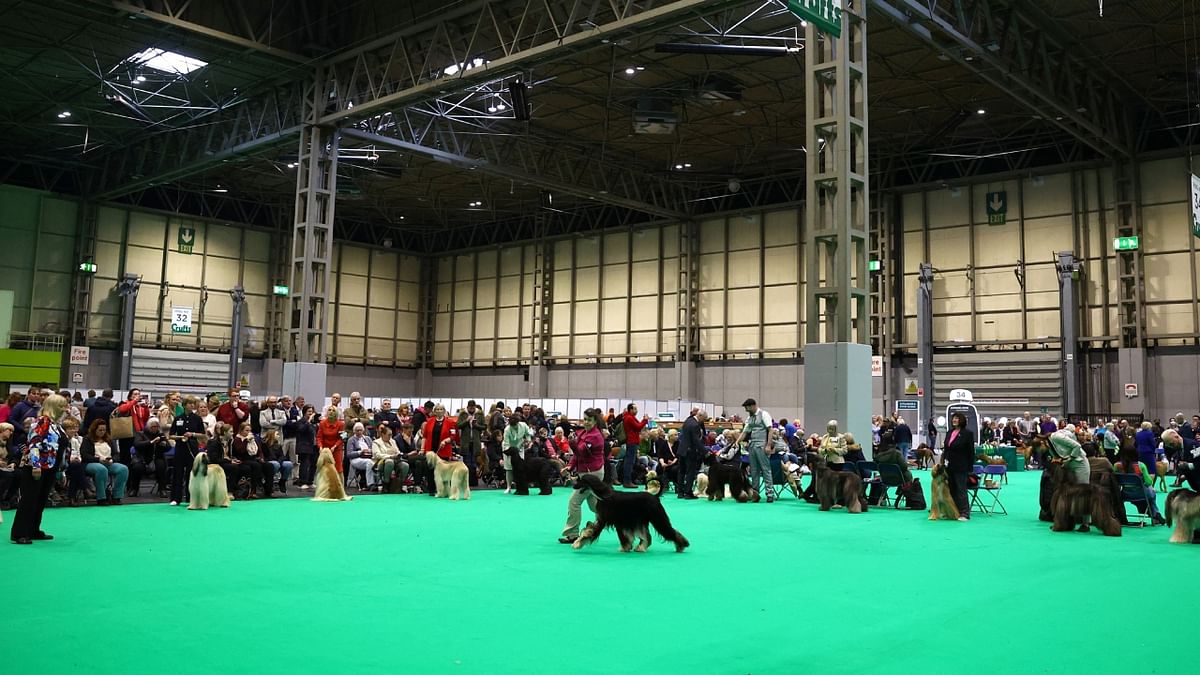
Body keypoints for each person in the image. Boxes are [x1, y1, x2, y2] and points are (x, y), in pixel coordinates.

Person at [10, 393, 69, 544]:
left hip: (51, 467)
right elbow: (34, 443)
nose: (66, 408)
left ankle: (33, 529)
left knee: (40, 499)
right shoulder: (41, 422)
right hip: (37, 467)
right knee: (29, 499)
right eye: (63, 406)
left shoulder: (56, 425)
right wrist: (36, 465)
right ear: (54, 407)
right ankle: (19, 533)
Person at [559, 408, 607, 544]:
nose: (586, 422)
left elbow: (581, 453)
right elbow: (576, 456)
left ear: (595, 421)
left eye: (589, 420)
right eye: (585, 419)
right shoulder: (585, 433)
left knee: (574, 502)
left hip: (592, 474)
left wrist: (572, 443)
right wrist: (570, 466)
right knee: (595, 506)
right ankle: (614, 520)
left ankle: (572, 534)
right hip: (587, 473)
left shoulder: (595, 437)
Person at [167, 397, 205, 506]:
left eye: (193, 404)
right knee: (177, 473)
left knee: (191, 473)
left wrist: (192, 434)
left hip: (192, 448)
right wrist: (180, 437)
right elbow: (171, 435)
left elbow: (202, 434)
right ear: (184, 405)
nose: (192, 406)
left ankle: (191, 497)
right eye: (190, 403)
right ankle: (175, 498)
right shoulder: (178, 418)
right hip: (180, 447)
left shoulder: (197, 419)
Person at [1113, 445, 1165, 525]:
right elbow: (1149, 482)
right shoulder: (1141, 465)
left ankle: (1155, 515)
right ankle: (1155, 515)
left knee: (1149, 494)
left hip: (1125, 494)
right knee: (1151, 492)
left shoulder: (1117, 466)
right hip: (1142, 494)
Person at [736, 398, 774, 503]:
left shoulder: (764, 414)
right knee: (753, 471)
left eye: (747, 408)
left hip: (762, 445)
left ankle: (770, 494)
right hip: (752, 446)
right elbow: (745, 432)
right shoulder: (750, 417)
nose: (746, 410)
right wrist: (736, 442)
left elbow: (770, 430)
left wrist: (768, 445)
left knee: (765, 469)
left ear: (753, 405)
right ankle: (755, 494)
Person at [943, 411, 974, 522]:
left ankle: (965, 513)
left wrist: (970, 468)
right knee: (951, 489)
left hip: (961, 466)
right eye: (953, 418)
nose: (954, 420)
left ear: (961, 420)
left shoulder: (967, 433)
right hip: (949, 466)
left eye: (957, 418)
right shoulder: (949, 432)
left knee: (961, 490)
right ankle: (953, 511)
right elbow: (946, 449)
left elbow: (971, 452)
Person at [232, 421, 273, 498]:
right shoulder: (237, 439)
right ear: (241, 431)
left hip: (254, 458)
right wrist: (246, 441)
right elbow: (240, 451)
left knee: (269, 466)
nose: (248, 432)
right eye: (246, 430)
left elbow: (259, 450)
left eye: (249, 430)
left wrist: (261, 457)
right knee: (256, 466)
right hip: (243, 459)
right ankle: (253, 490)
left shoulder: (254, 439)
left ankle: (268, 490)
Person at [134, 418, 172, 498]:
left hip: (157, 458)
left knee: (161, 465)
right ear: (148, 427)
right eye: (152, 427)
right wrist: (151, 442)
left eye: (156, 426)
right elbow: (137, 445)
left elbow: (169, 447)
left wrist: (164, 444)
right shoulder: (141, 434)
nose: (154, 428)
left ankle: (162, 489)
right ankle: (134, 489)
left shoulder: (161, 435)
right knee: (137, 467)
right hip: (143, 459)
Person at [618, 403, 649, 489]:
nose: (637, 411)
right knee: (629, 462)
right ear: (630, 410)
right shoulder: (629, 418)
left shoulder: (629, 417)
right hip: (631, 441)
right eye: (635, 409)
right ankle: (627, 481)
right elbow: (638, 427)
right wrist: (645, 420)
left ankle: (628, 480)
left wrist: (643, 420)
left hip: (632, 441)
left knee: (630, 461)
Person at [502, 413, 533, 494]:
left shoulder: (523, 425)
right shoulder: (507, 430)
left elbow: (528, 434)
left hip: (520, 447)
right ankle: (508, 487)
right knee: (509, 468)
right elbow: (506, 443)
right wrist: (509, 452)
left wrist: (528, 441)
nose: (514, 427)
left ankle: (520, 487)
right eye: (513, 425)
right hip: (509, 450)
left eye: (515, 425)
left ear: (518, 422)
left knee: (520, 468)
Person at [371, 424, 408, 491]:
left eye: (391, 435)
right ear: (382, 434)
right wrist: (390, 456)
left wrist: (399, 454)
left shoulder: (393, 441)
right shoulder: (376, 442)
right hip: (381, 462)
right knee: (389, 462)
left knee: (405, 465)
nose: (390, 436)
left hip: (395, 460)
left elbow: (397, 451)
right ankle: (386, 483)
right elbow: (377, 455)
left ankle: (400, 484)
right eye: (389, 435)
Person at [457, 400, 485, 486]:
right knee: (466, 462)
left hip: (475, 442)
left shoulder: (480, 414)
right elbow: (458, 425)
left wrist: (476, 425)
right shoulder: (463, 414)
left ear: (475, 407)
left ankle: (473, 481)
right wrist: (466, 421)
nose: (471, 409)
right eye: (470, 407)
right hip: (465, 442)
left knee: (474, 462)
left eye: (473, 407)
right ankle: (465, 482)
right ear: (467, 407)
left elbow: (484, 427)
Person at [293, 405, 319, 489]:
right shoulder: (301, 421)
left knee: (313, 464)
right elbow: (301, 429)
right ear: (304, 412)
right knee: (305, 464)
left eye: (312, 412)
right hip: (304, 446)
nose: (310, 413)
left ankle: (310, 481)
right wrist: (308, 421)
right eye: (309, 412)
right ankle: (302, 482)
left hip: (314, 446)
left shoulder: (314, 423)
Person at [260, 429, 292, 494]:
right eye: (277, 434)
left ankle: (282, 482)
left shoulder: (278, 444)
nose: (279, 436)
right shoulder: (264, 444)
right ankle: (269, 481)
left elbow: (282, 456)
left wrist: (279, 461)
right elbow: (264, 456)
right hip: (268, 462)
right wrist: (276, 461)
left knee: (289, 464)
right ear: (272, 435)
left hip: (277, 462)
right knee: (275, 464)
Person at [345, 422, 375, 490]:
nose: (359, 432)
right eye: (357, 430)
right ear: (354, 431)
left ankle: (379, 483)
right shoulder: (351, 440)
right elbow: (349, 454)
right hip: (356, 459)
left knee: (376, 463)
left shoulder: (368, 438)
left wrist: (370, 451)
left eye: (360, 430)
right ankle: (370, 484)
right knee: (369, 462)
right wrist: (360, 452)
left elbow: (373, 448)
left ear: (363, 430)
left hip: (368, 457)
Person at [317, 406, 346, 474]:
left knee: (337, 469)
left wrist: (335, 446)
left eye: (333, 410)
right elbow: (319, 437)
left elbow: (342, 438)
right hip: (325, 450)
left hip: (336, 449)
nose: (331, 412)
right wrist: (320, 447)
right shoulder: (322, 423)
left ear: (336, 413)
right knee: (324, 469)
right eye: (329, 410)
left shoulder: (341, 424)